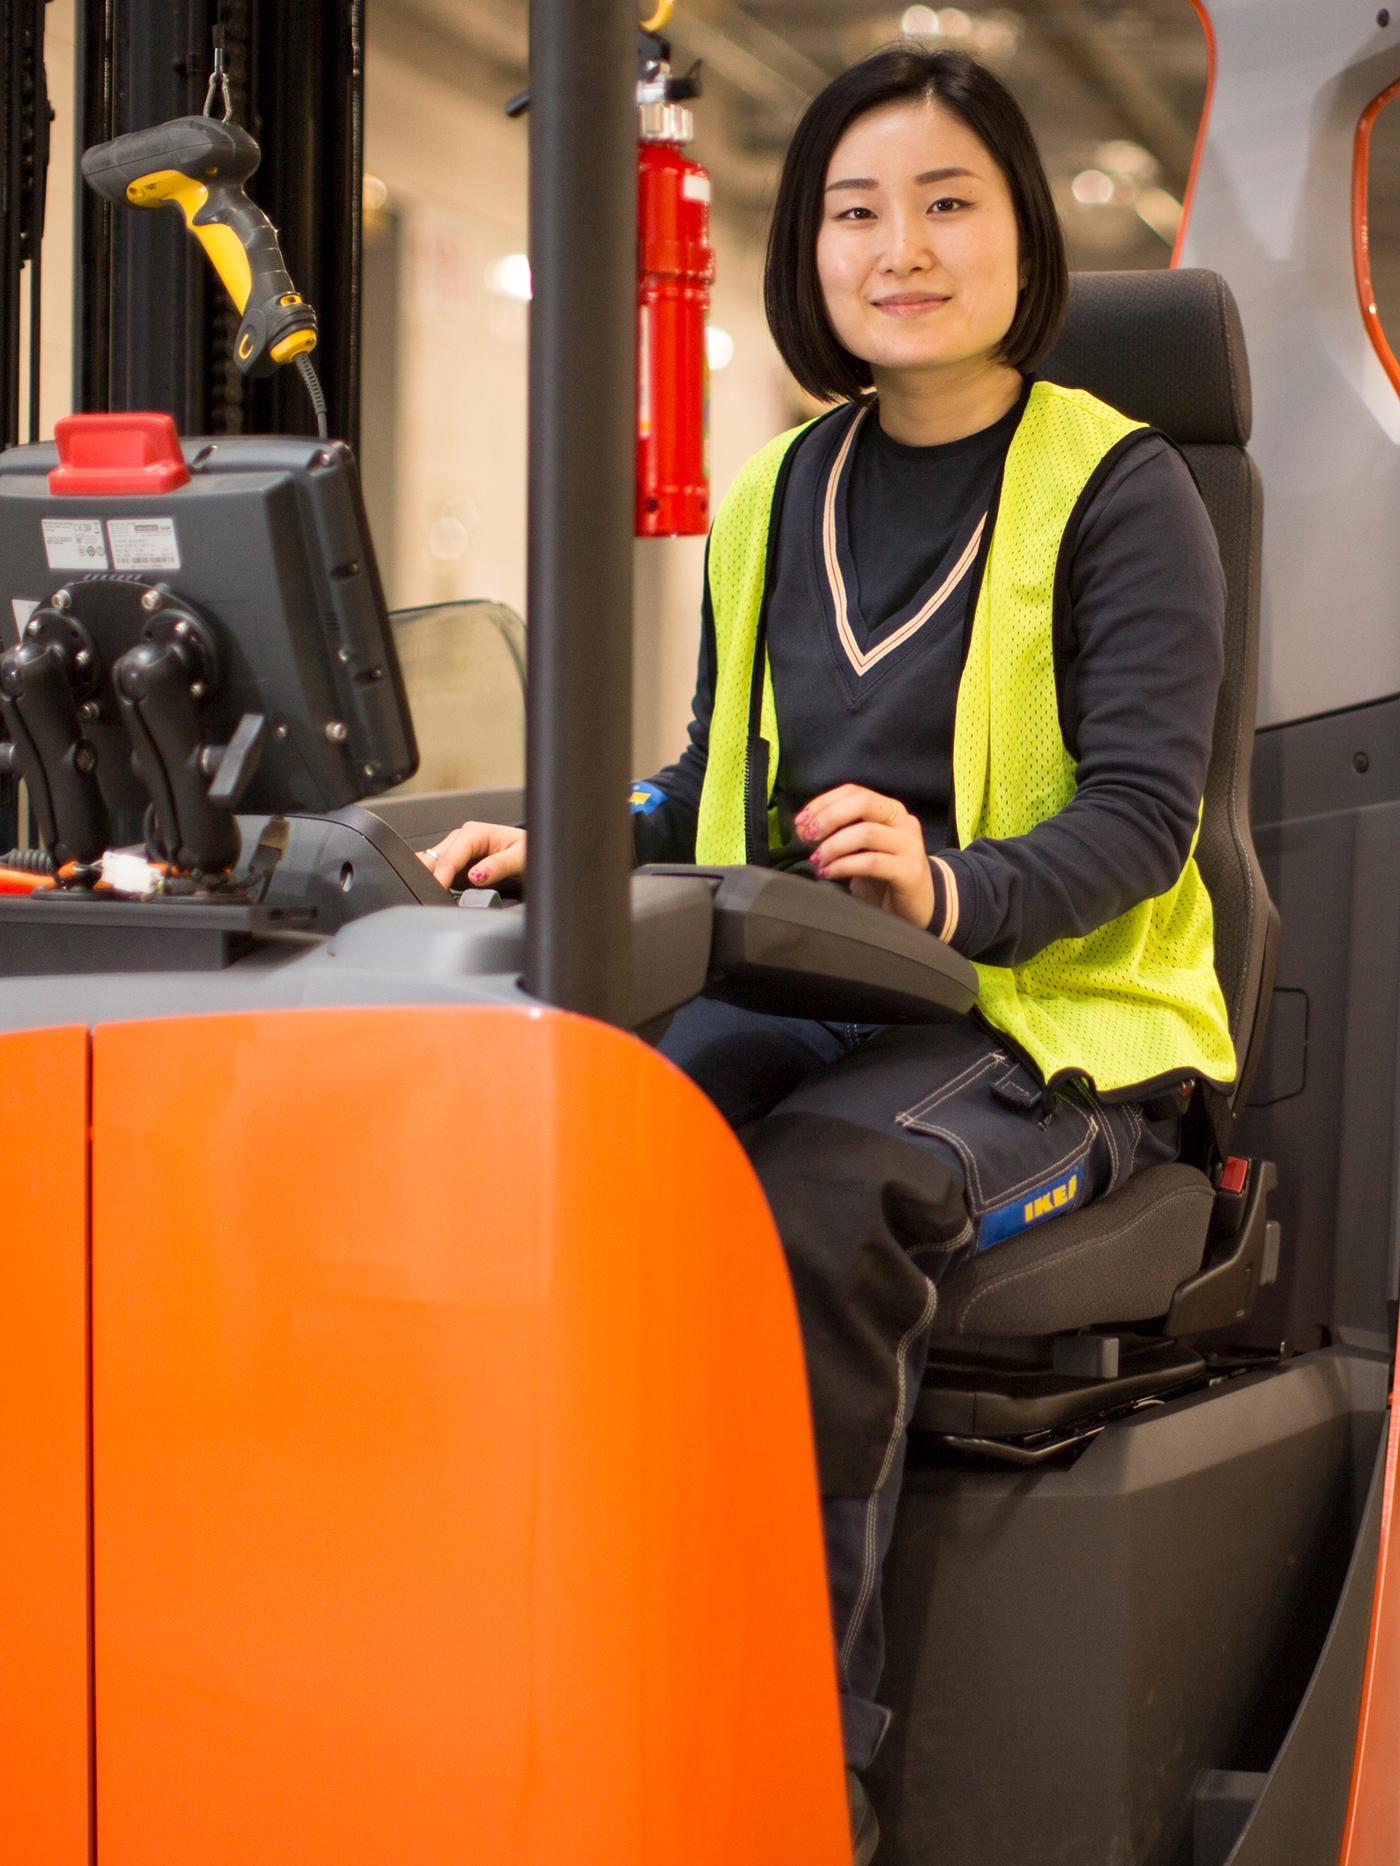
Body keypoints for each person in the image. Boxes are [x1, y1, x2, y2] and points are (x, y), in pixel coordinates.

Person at [421, 45, 1235, 1865]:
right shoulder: (777, 490)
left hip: (1053, 1025)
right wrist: (591, 832)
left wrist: (950, 885)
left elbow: (1144, 816)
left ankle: (801, 1765)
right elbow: (712, 774)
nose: (903, 247)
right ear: (812, 254)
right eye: (858, 211)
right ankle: (562, 1673)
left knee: (816, 1192)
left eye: (950, 202)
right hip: (813, 990)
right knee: (604, 1140)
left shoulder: (1122, 492)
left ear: (1023, 233)